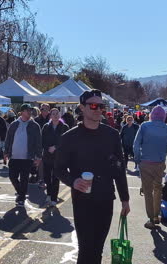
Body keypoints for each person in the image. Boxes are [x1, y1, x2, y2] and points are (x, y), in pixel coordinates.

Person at [55, 90, 130, 264]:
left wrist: (125, 199)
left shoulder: (112, 135)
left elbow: (120, 170)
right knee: (86, 248)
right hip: (83, 200)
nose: (98, 109)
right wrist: (73, 181)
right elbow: (58, 169)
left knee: (97, 249)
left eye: (101, 106)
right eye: (93, 105)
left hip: (105, 198)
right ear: (82, 108)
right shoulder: (69, 137)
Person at [133, 105, 167, 229]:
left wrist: (137, 159)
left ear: (151, 116)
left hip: (145, 162)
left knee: (148, 192)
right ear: (164, 117)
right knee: (158, 189)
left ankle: (150, 218)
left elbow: (136, 145)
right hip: (159, 164)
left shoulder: (144, 126)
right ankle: (156, 215)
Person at [4, 104, 43, 207]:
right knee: (12, 177)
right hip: (14, 156)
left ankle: (21, 198)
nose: (29, 112)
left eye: (30, 110)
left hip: (27, 157)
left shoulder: (35, 126)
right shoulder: (14, 124)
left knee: (24, 178)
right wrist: (6, 152)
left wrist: (39, 157)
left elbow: (38, 142)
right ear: (21, 112)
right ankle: (21, 193)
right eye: (27, 110)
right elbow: (8, 138)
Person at [42, 108, 69, 207]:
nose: (55, 115)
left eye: (57, 113)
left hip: (58, 156)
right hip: (47, 155)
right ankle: (49, 194)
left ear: (60, 115)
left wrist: (56, 147)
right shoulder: (46, 126)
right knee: (47, 177)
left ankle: (54, 198)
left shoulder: (64, 127)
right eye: (53, 114)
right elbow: (42, 140)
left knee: (56, 177)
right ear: (50, 116)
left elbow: (66, 141)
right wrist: (47, 148)